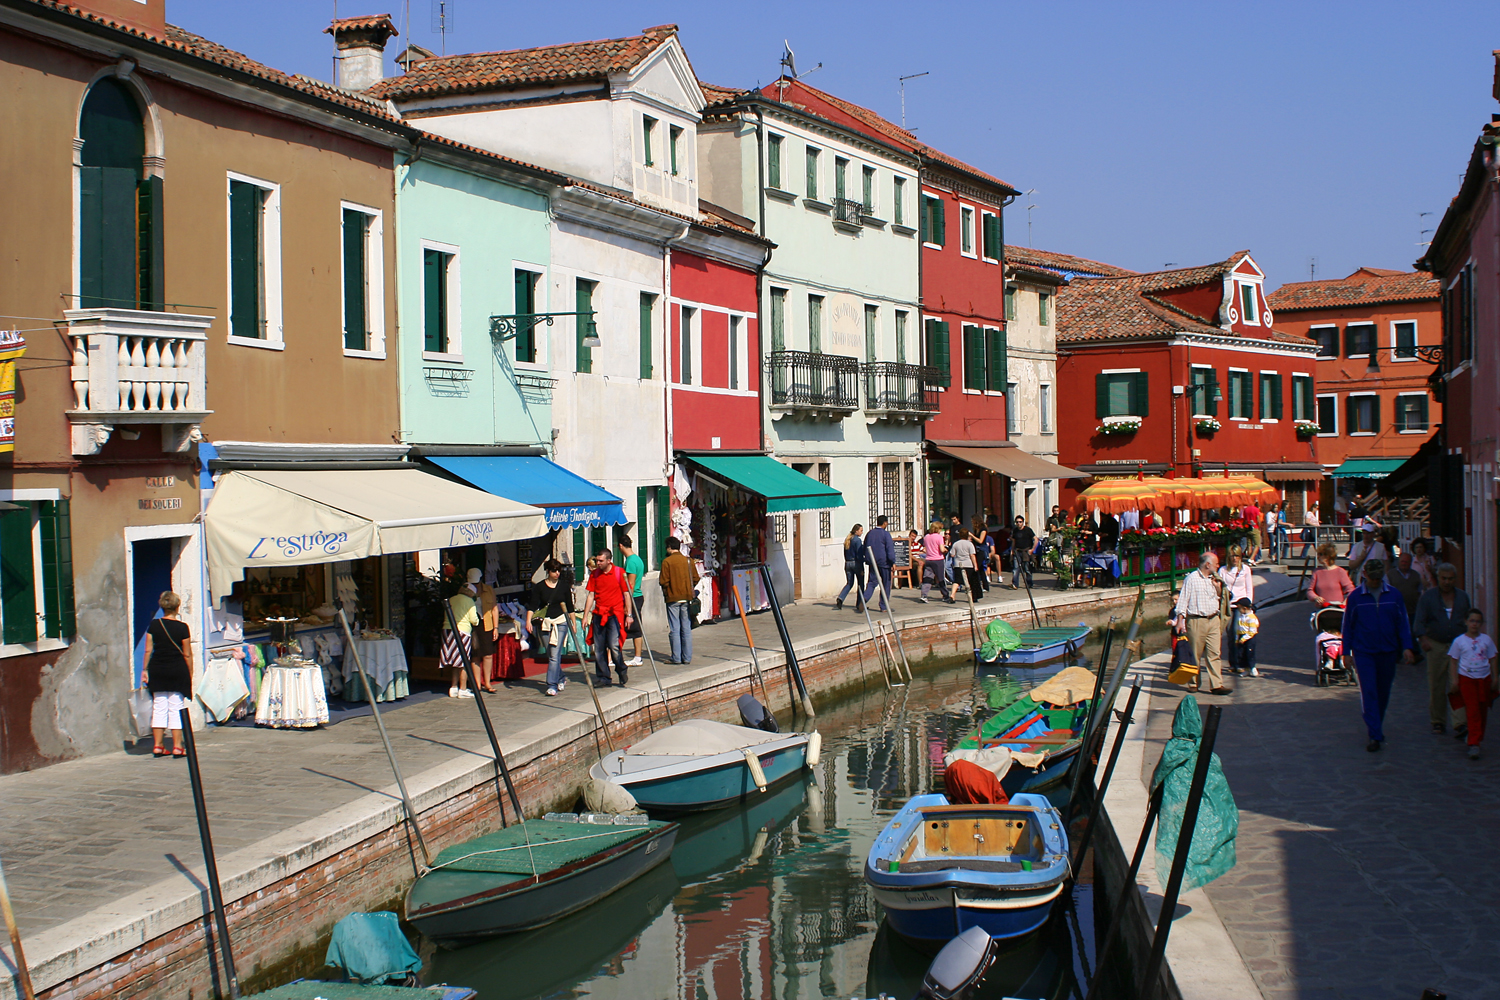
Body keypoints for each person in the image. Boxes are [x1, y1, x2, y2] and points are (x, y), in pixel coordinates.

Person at [1342, 559, 1417, 751]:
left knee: (1383, 692)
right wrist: (1346, 652)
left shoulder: (1394, 595)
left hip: (1388, 651)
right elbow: (1348, 627)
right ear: (1365, 574)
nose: (1375, 581)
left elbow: (1403, 624)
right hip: (1364, 652)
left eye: (1378, 577)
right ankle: (1374, 734)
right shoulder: (1356, 598)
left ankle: (1377, 724)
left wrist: (1407, 646)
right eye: (1372, 577)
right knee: (1369, 691)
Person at [1414, 562, 1471, 734]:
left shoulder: (1462, 597)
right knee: (1436, 685)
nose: (1447, 582)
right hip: (1436, 645)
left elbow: (1468, 620)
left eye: (1450, 579)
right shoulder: (1428, 597)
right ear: (1438, 578)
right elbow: (1419, 621)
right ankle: (1438, 720)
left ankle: (1459, 722)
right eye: (1444, 578)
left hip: (1457, 646)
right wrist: (1423, 639)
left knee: (1457, 683)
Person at [141, 591, 193, 758]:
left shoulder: (154, 625)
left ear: (162, 606)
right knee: (176, 707)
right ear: (177, 607)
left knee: (159, 706)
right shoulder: (182, 627)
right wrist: (190, 672)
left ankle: (158, 745)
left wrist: (144, 670)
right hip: (177, 668)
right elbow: (187, 654)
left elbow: (148, 649)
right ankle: (177, 746)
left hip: (157, 668)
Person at [1173, 552, 1229, 696]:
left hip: (1213, 619)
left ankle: (1217, 685)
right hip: (1197, 620)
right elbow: (1183, 600)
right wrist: (1180, 620)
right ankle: (1193, 683)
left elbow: (1222, 598)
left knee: (1215, 653)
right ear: (1207, 565)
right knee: (1195, 654)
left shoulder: (1216, 579)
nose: (1218, 566)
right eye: (1216, 563)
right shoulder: (1191, 579)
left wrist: (1218, 588)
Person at [1447, 609, 1498, 759]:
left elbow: (1493, 657)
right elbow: (1453, 661)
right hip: (1467, 678)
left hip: (1484, 678)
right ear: (1466, 622)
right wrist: (1455, 680)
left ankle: (1475, 735)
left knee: (1482, 710)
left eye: (1477, 621)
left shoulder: (1486, 640)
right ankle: (1474, 743)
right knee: (1473, 709)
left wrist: (1495, 678)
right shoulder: (1459, 641)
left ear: (1481, 624)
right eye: (1472, 621)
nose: (1474, 624)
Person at [525, 559, 578, 697]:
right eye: (554, 571)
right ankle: (560, 677)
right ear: (548, 571)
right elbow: (532, 605)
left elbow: (570, 606)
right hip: (545, 623)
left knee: (555, 654)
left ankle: (551, 685)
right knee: (550, 654)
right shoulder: (540, 587)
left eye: (559, 571)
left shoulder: (563, 586)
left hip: (561, 622)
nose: (557, 573)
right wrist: (528, 621)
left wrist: (573, 623)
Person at [586, 547, 632, 686]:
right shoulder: (594, 575)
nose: (598, 563)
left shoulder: (619, 573)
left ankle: (621, 669)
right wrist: (585, 615)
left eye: (601, 561)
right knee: (599, 648)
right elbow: (591, 595)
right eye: (597, 560)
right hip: (599, 614)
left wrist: (629, 614)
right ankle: (603, 677)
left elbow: (626, 594)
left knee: (614, 646)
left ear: (608, 560)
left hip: (614, 614)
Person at [659, 536, 699, 664]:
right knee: (686, 628)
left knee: (675, 628)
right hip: (687, 598)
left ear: (669, 547)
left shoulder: (667, 562)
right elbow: (696, 578)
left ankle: (676, 657)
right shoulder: (688, 561)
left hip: (673, 598)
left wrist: (669, 589)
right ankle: (687, 658)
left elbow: (663, 581)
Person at [1219, 545, 1258, 676]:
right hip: (1228, 605)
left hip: (1241, 606)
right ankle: (1233, 662)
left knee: (1241, 634)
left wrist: (1249, 606)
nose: (1235, 558)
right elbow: (1220, 588)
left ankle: (1241, 663)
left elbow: (1249, 588)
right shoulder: (1223, 570)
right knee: (1231, 635)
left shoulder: (1245, 569)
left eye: (1237, 556)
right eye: (1232, 556)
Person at [441, 570, 480, 699]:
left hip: (447, 630)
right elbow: (474, 620)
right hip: (462, 632)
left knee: (455, 661)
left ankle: (453, 687)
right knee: (463, 661)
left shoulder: (452, 599)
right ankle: (462, 689)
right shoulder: (469, 602)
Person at [618, 535, 647, 667]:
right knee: (636, 627)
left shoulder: (630, 561)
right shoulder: (638, 559)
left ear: (620, 546)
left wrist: (625, 602)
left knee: (633, 628)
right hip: (637, 596)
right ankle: (637, 656)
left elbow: (630, 583)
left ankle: (637, 657)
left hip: (633, 596)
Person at [862, 515, 897, 612]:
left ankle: (864, 598)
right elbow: (889, 549)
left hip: (873, 562)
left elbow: (865, 547)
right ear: (885, 523)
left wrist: (867, 559)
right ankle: (883, 606)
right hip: (884, 563)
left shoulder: (869, 533)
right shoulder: (885, 534)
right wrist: (892, 561)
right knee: (886, 584)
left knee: (872, 582)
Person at [919, 522, 953, 604]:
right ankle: (945, 595)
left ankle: (924, 595)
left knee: (927, 578)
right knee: (940, 578)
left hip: (929, 559)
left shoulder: (926, 537)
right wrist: (946, 549)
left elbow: (925, 548)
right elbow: (941, 549)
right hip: (938, 559)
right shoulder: (939, 537)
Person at [1386, 550, 1422, 623]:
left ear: (1410, 563)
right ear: (1398, 561)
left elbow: (1420, 592)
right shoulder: (1390, 574)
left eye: (1406, 562)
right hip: (1396, 611)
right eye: (1402, 561)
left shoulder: (1416, 575)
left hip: (1412, 612)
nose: (1404, 563)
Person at [836, 523, 866, 611]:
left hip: (848, 563)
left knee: (849, 583)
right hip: (856, 563)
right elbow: (859, 555)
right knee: (860, 584)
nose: (862, 532)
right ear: (856, 531)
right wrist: (864, 561)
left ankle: (841, 598)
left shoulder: (847, 540)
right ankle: (860, 604)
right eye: (861, 530)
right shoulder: (857, 541)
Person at [950, 529, 982, 601]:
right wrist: (975, 566)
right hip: (968, 564)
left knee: (957, 581)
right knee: (971, 581)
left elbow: (952, 554)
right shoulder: (970, 544)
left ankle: (952, 595)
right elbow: (972, 556)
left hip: (958, 564)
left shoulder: (956, 543)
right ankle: (972, 597)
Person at [1010, 515, 1037, 589]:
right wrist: (1012, 551)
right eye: (1017, 522)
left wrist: (1032, 549)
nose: (1018, 523)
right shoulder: (1015, 530)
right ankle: (1015, 584)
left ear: (1023, 522)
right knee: (1016, 568)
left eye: (1020, 522)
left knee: (1027, 568)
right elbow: (1014, 541)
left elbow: (1036, 539)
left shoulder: (1028, 530)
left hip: (1026, 551)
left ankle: (1029, 583)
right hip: (1017, 551)